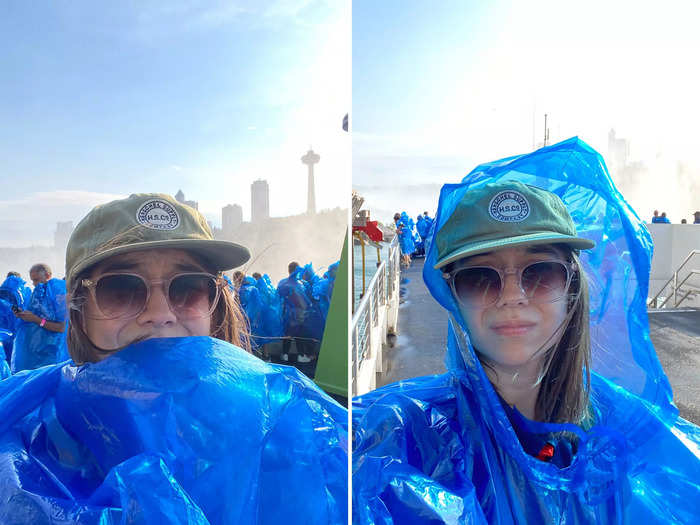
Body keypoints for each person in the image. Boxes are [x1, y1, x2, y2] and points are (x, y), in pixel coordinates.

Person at [352, 138, 700, 523]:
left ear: (571, 288)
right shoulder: (404, 437)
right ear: (454, 298)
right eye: (479, 278)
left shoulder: (628, 434)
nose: (512, 296)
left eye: (540, 273)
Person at [0, 193, 347, 524]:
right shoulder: (24, 449)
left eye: (188, 286)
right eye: (120, 288)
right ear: (79, 310)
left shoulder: (289, 427)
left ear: (214, 305)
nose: (160, 313)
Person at [11, 262, 69, 372]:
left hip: (50, 354)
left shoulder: (58, 293)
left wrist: (36, 320)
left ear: (47, 275)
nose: (34, 284)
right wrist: (23, 315)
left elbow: (62, 328)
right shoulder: (38, 293)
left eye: (36, 280)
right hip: (36, 354)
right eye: (32, 280)